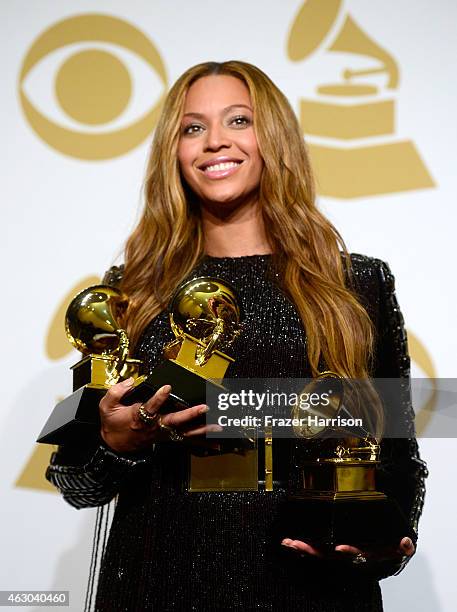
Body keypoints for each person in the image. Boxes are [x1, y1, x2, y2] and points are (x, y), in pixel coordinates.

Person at [46, 61, 427, 611]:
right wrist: (113, 443)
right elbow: (74, 481)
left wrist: (391, 542)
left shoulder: (356, 283)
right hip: (158, 578)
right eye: (192, 127)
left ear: (274, 138)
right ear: (172, 152)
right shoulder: (129, 293)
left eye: (239, 120)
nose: (215, 142)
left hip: (311, 586)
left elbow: (399, 451)